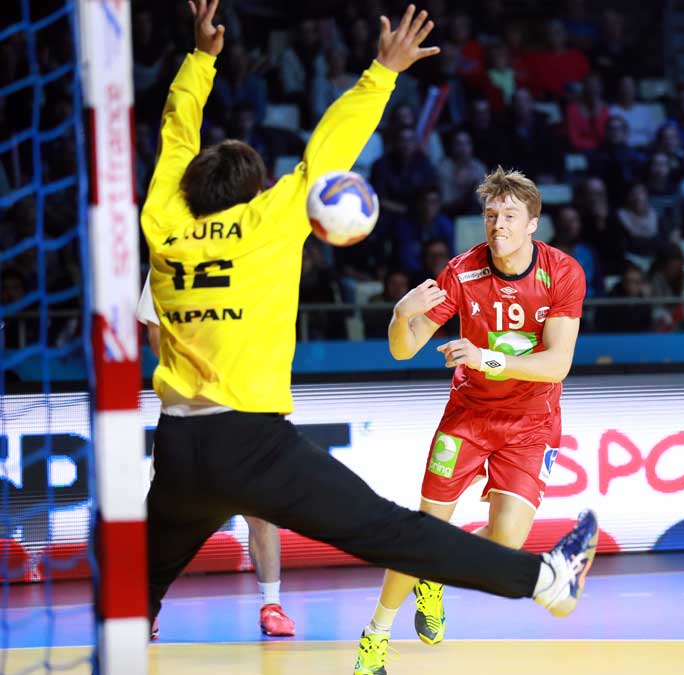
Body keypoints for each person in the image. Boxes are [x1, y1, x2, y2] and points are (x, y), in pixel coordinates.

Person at [142, 0, 598, 661]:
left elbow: (173, 137)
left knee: (132, 598)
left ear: (187, 191)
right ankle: (547, 581)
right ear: (256, 192)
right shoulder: (272, 221)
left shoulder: (164, 222)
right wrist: (381, 72)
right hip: (252, 440)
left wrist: (199, 60)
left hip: (180, 444)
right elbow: (327, 153)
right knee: (391, 530)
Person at [355, 167, 587, 675]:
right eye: (490, 216)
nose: (497, 226)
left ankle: (434, 576)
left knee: (507, 542)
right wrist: (399, 315)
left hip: (531, 423)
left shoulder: (563, 272)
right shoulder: (461, 272)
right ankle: (375, 634)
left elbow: (558, 363)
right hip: (469, 418)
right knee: (424, 532)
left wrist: (487, 359)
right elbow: (405, 349)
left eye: (509, 216)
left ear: (533, 223)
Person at [137, 275, 296, 638]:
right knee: (165, 515)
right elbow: (154, 335)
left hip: (248, 408)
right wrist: (200, 376)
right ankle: (145, 606)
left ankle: (272, 605)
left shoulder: (255, 259)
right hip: (187, 411)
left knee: (260, 511)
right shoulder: (169, 255)